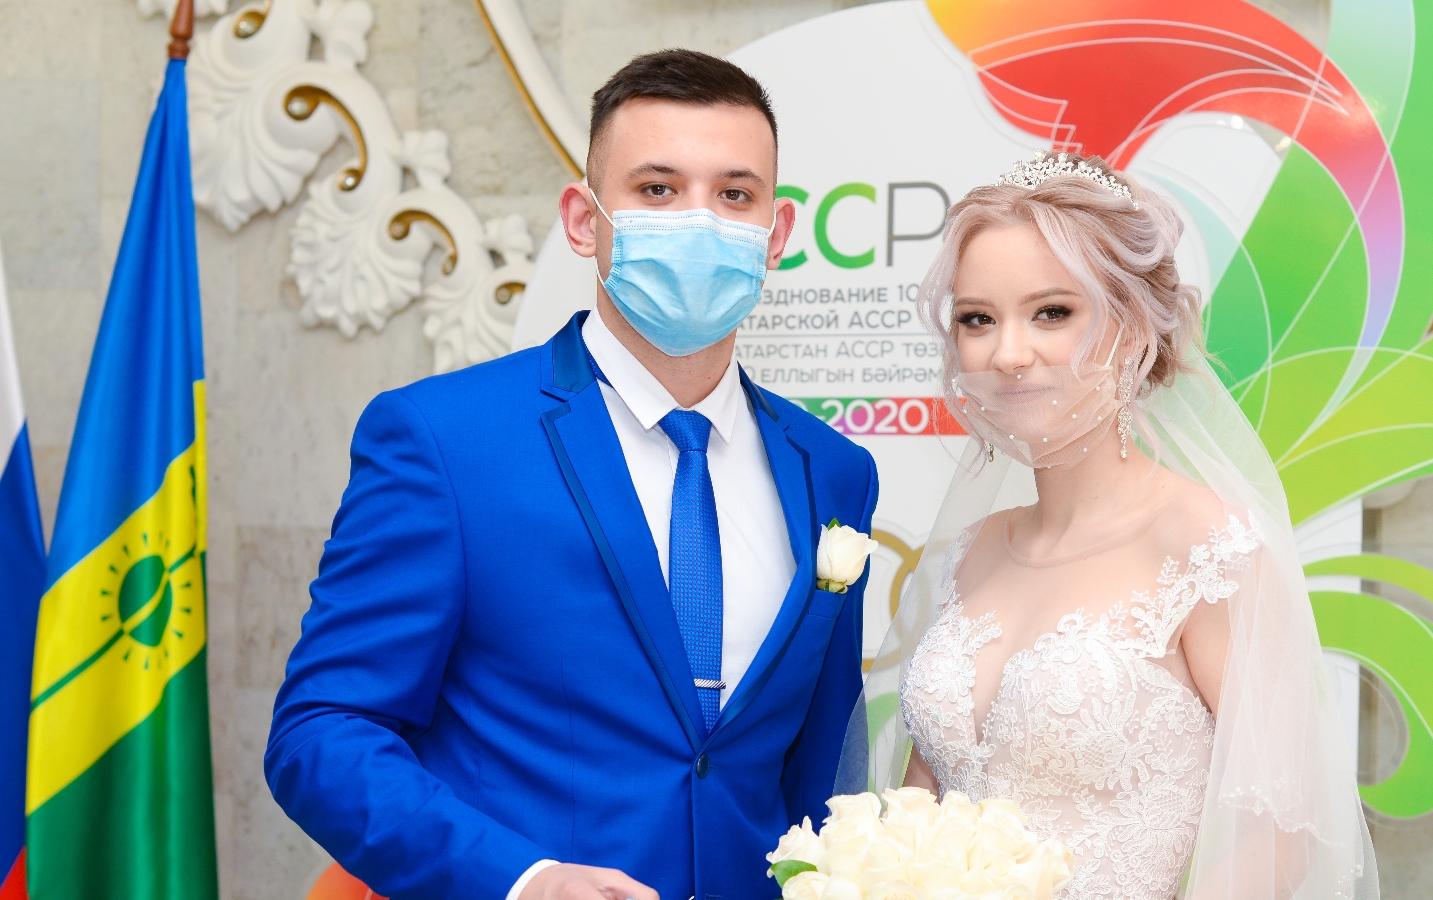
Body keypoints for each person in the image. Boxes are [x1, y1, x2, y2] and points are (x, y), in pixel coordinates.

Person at [265, 50, 879, 900]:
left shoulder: (835, 472)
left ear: (775, 235)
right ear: (585, 221)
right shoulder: (443, 440)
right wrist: (523, 880)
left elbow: (821, 771)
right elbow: (323, 732)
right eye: (657, 189)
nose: (699, 221)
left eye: (734, 195)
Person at [852, 152, 1376, 899]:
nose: (1008, 353)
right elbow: (922, 810)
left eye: (1052, 312)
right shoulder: (973, 550)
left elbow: (1278, 830)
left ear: (1132, 331)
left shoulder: (1207, 546)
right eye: (978, 320)